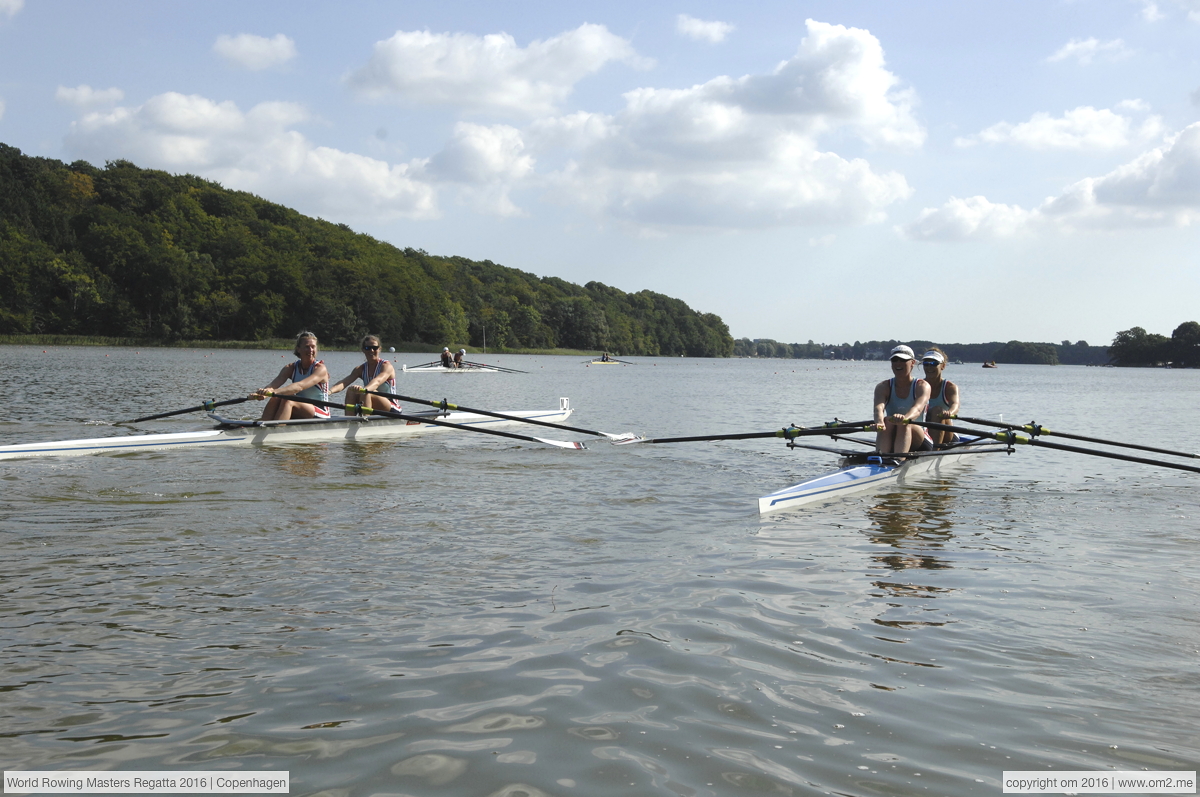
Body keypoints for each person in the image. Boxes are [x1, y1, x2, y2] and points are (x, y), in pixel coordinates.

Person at [251, 331, 330, 420]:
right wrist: (263, 393)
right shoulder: (290, 368)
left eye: (313, 347)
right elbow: (272, 386)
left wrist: (274, 392)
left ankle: (276, 430)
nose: (311, 350)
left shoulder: (320, 369)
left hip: (321, 411)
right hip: (301, 405)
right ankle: (262, 425)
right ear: (298, 349)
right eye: (307, 347)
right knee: (276, 398)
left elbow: (299, 386)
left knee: (287, 399)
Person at [872, 344, 932, 454]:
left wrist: (905, 418)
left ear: (912, 363)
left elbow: (917, 409)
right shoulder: (883, 387)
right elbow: (878, 409)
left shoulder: (922, 386)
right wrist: (879, 423)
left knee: (904, 424)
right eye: (895, 360)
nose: (898, 364)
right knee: (887, 421)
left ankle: (897, 460)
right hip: (894, 433)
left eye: (903, 360)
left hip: (921, 440)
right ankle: (882, 459)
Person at [330, 335, 402, 415]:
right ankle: (349, 421)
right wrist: (329, 392)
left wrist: (364, 390)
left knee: (368, 392)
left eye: (374, 348)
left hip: (391, 406)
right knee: (351, 390)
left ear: (379, 349)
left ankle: (365, 419)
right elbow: (344, 382)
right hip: (370, 401)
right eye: (368, 348)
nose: (371, 350)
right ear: (363, 350)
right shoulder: (360, 369)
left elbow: (377, 381)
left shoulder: (386, 366)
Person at [921, 347, 961, 448]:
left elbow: (955, 405)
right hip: (923, 432)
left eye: (934, 363)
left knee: (937, 410)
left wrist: (949, 413)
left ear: (942, 366)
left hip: (947, 434)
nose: (929, 367)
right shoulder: (918, 386)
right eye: (926, 363)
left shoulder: (950, 387)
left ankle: (935, 450)